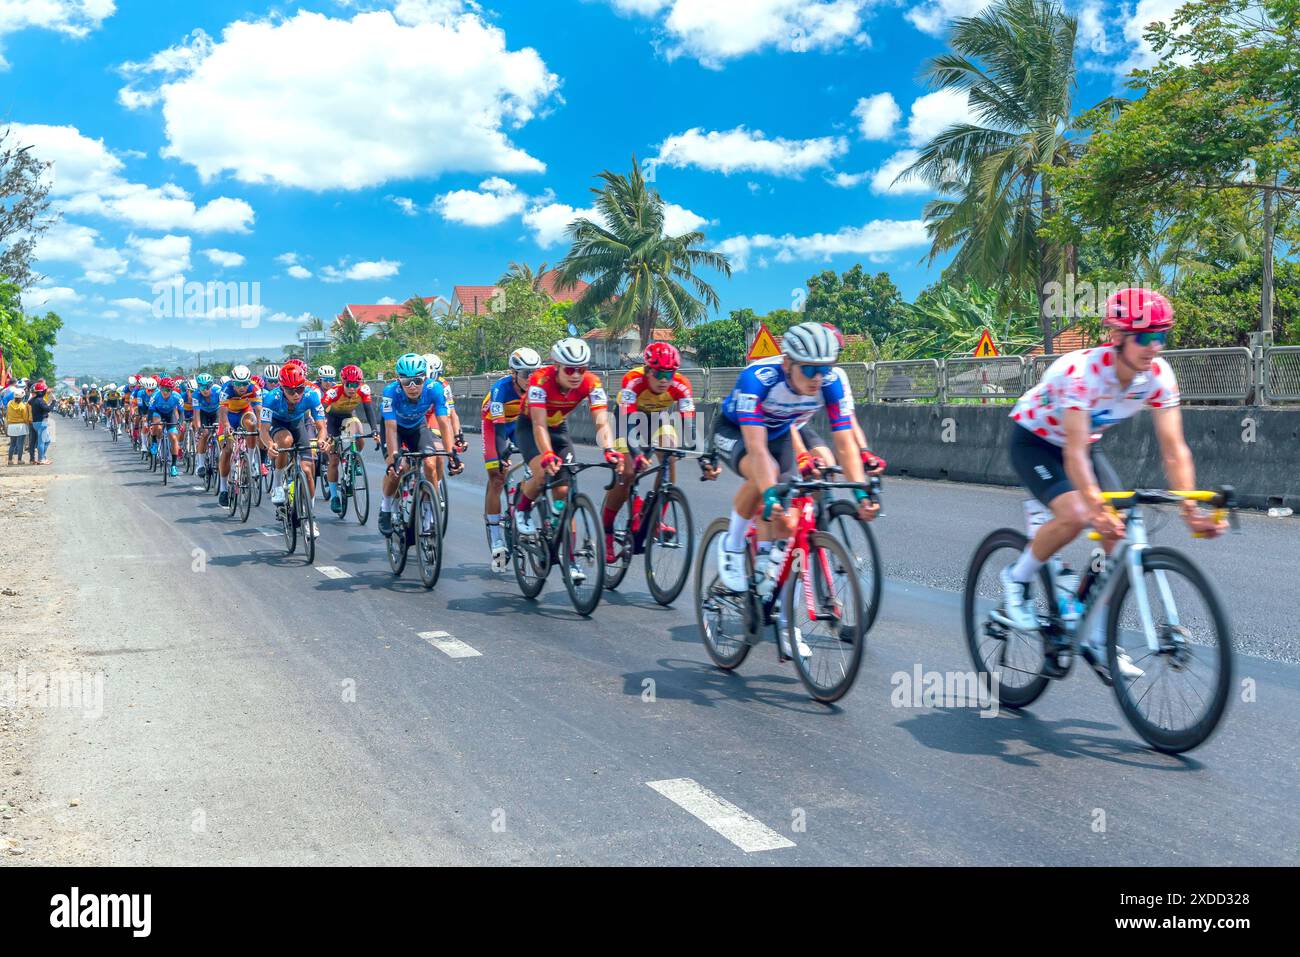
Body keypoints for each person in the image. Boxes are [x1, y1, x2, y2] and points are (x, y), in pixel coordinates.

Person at [1000, 287, 1227, 680]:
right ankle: (1016, 579)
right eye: (1144, 337)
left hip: (1083, 445)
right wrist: (1095, 506)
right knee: (1077, 513)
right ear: (1117, 337)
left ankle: (1094, 634)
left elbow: (1174, 449)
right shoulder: (1081, 374)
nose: (1154, 346)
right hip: (1036, 442)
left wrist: (1191, 510)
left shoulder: (1158, 375)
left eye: (1161, 336)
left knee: (1118, 537)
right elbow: (1071, 456)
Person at [711, 322, 879, 658]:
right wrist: (770, 489)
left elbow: (845, 441)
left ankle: (786, 621)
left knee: (790, 528)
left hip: (783, 433)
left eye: (824, 368)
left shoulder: (831, 381)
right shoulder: (757, 379)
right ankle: (731, 545)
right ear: (787, 363)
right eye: (809, 369)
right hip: (737, 432)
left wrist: (861, 492)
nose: (818, 377)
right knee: (766, 477)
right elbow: (757, 450)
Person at [513, 337, 621, 583]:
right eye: (570, 370)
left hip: (559, 427)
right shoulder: (540, 381)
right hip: (530, 427)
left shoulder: (592, 383)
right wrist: (547, 454)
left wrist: (609, 449)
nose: (576, 375)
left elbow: (601, 421)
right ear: (556, 367)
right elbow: (539, 424)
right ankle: (522, 509)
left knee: (565, 491)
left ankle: (569, 560)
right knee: (542, 472)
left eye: (581, 369)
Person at [601, 342, 698, 563]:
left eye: (670, 373)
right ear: (647, 370)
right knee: (627, 473)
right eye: (659, 373)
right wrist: (637, 454)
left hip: (658, 418)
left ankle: (656, 519)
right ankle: (606, 530)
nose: (665, 379)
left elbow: (690, 425)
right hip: (628, 420)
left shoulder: (681, 385)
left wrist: (699, 454)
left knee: (670, 454)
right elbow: (627, 423)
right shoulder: (633, 381)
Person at [377, 353, 460, 537]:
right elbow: (390, 428)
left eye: (417, 380)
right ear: (399, 380)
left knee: (431, 463)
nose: (412, 387)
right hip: (394, 428)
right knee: (398, 468)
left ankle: (430, 515)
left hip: (417, 426)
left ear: (425, 377)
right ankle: (386, 506)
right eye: (407, 382)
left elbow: (444, 422)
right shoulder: (390, 392)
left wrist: (452, 453)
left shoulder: (435, 388)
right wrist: (393, 458)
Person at [481, 347, 542, 569]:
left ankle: (523, 505)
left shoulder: (538, 387)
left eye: (536, 372)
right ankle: (497, 538)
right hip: (496, 425)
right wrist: (502, 457)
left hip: (520, 424)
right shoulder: (501, 390)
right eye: (526, 374)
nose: (531, 378)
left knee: (538, 468)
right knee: (497, 477)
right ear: (514, 374)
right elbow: (498, 432)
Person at [260, 363, 327, 537]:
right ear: (282, 389)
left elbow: (321, 426)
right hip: (278, 424)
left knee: (307, 469)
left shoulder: (312, 395)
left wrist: (321, 440)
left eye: (299, 389)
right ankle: (277, 484)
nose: (296, 394)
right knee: (285, 441)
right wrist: (270, 445)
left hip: (298, 424)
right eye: (290, 391)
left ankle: (309, 517)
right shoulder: (271, 398)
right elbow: (264, 430)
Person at [321, 364, 380, 515]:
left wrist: (374, 430)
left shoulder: (363, 390)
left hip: (348, 416)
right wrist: (327, 433)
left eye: (356, 384)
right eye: (349, 385)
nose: (352, 388)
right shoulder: (334, 392)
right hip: (332, 419)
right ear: (343, 382)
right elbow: (322, 411)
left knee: (359, 433)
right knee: (333, 460)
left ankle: (354, 459)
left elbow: (369, 410)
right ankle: (334, 496)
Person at [6, 388, 31, 464]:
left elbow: (7, 415)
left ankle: (10, 460)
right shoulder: (23, 406)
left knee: (12, 444)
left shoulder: (9, 404)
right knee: (20, 444)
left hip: (11, 426)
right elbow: (25, 417)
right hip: (21, 426)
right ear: (22, 397)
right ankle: (19, 460)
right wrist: (28, 423)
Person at [29, 381, 52, 464]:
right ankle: (41, 459)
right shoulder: (40, 400)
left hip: (36, 423)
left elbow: (30, 401)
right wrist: (54, 402)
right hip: (41, 423)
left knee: (48, 440)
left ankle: (42, 457)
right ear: (42, 392)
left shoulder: (33, 400)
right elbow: (48, 409)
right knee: (41, 442)